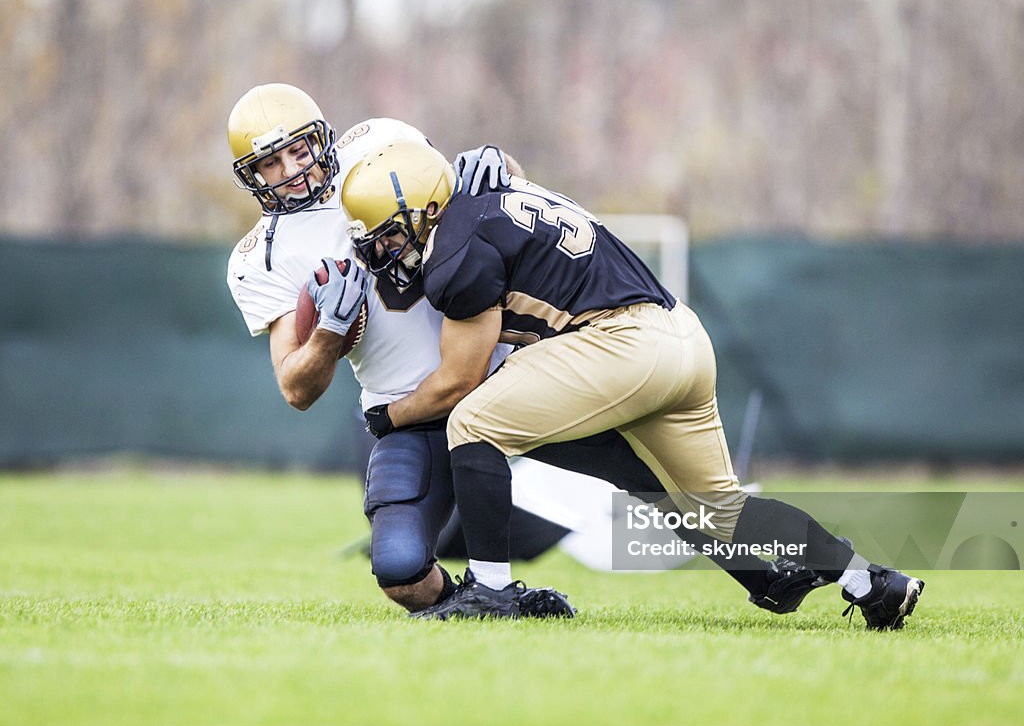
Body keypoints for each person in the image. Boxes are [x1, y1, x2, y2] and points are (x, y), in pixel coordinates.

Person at [225, 84, 827, 620]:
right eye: (269, 163)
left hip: (509, 378)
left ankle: (786, 575)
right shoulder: (262, 257)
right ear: (250, 176)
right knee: (401, 569)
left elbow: (483, 204)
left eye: (298, 150)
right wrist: (329, 332)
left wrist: (499, 161)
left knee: (660, 485)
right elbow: (295, 387)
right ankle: (486, 604)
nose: (291, 171)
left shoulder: (381, 144)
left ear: (321, 139)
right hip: (411, 412)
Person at [342, 140, 926, 630]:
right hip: (682, 337)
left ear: (425, 211)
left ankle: (490, 589)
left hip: (620, 343)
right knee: (718, 509)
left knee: (474, 422)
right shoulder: (494, 198)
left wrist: (388, 417)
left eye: (390, 237)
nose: (387, 252)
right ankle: (868, 581)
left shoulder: (455, 252)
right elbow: (509, 191)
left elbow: (457, 381)